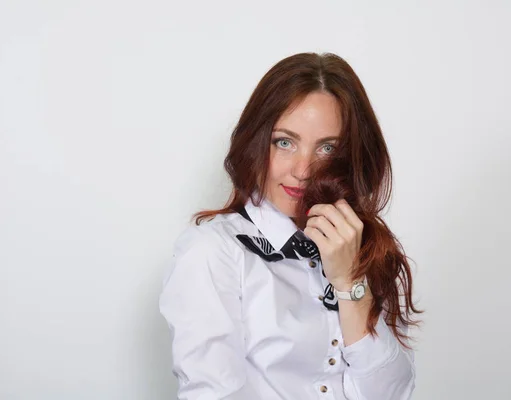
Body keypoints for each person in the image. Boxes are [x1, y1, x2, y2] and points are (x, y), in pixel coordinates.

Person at [159, 52, 423, 400]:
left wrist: (349, 282)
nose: (303, 170)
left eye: (327, 148)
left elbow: (393, 394)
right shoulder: (213, 251)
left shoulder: (363, 246)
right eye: (284, 142)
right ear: (256, 142)